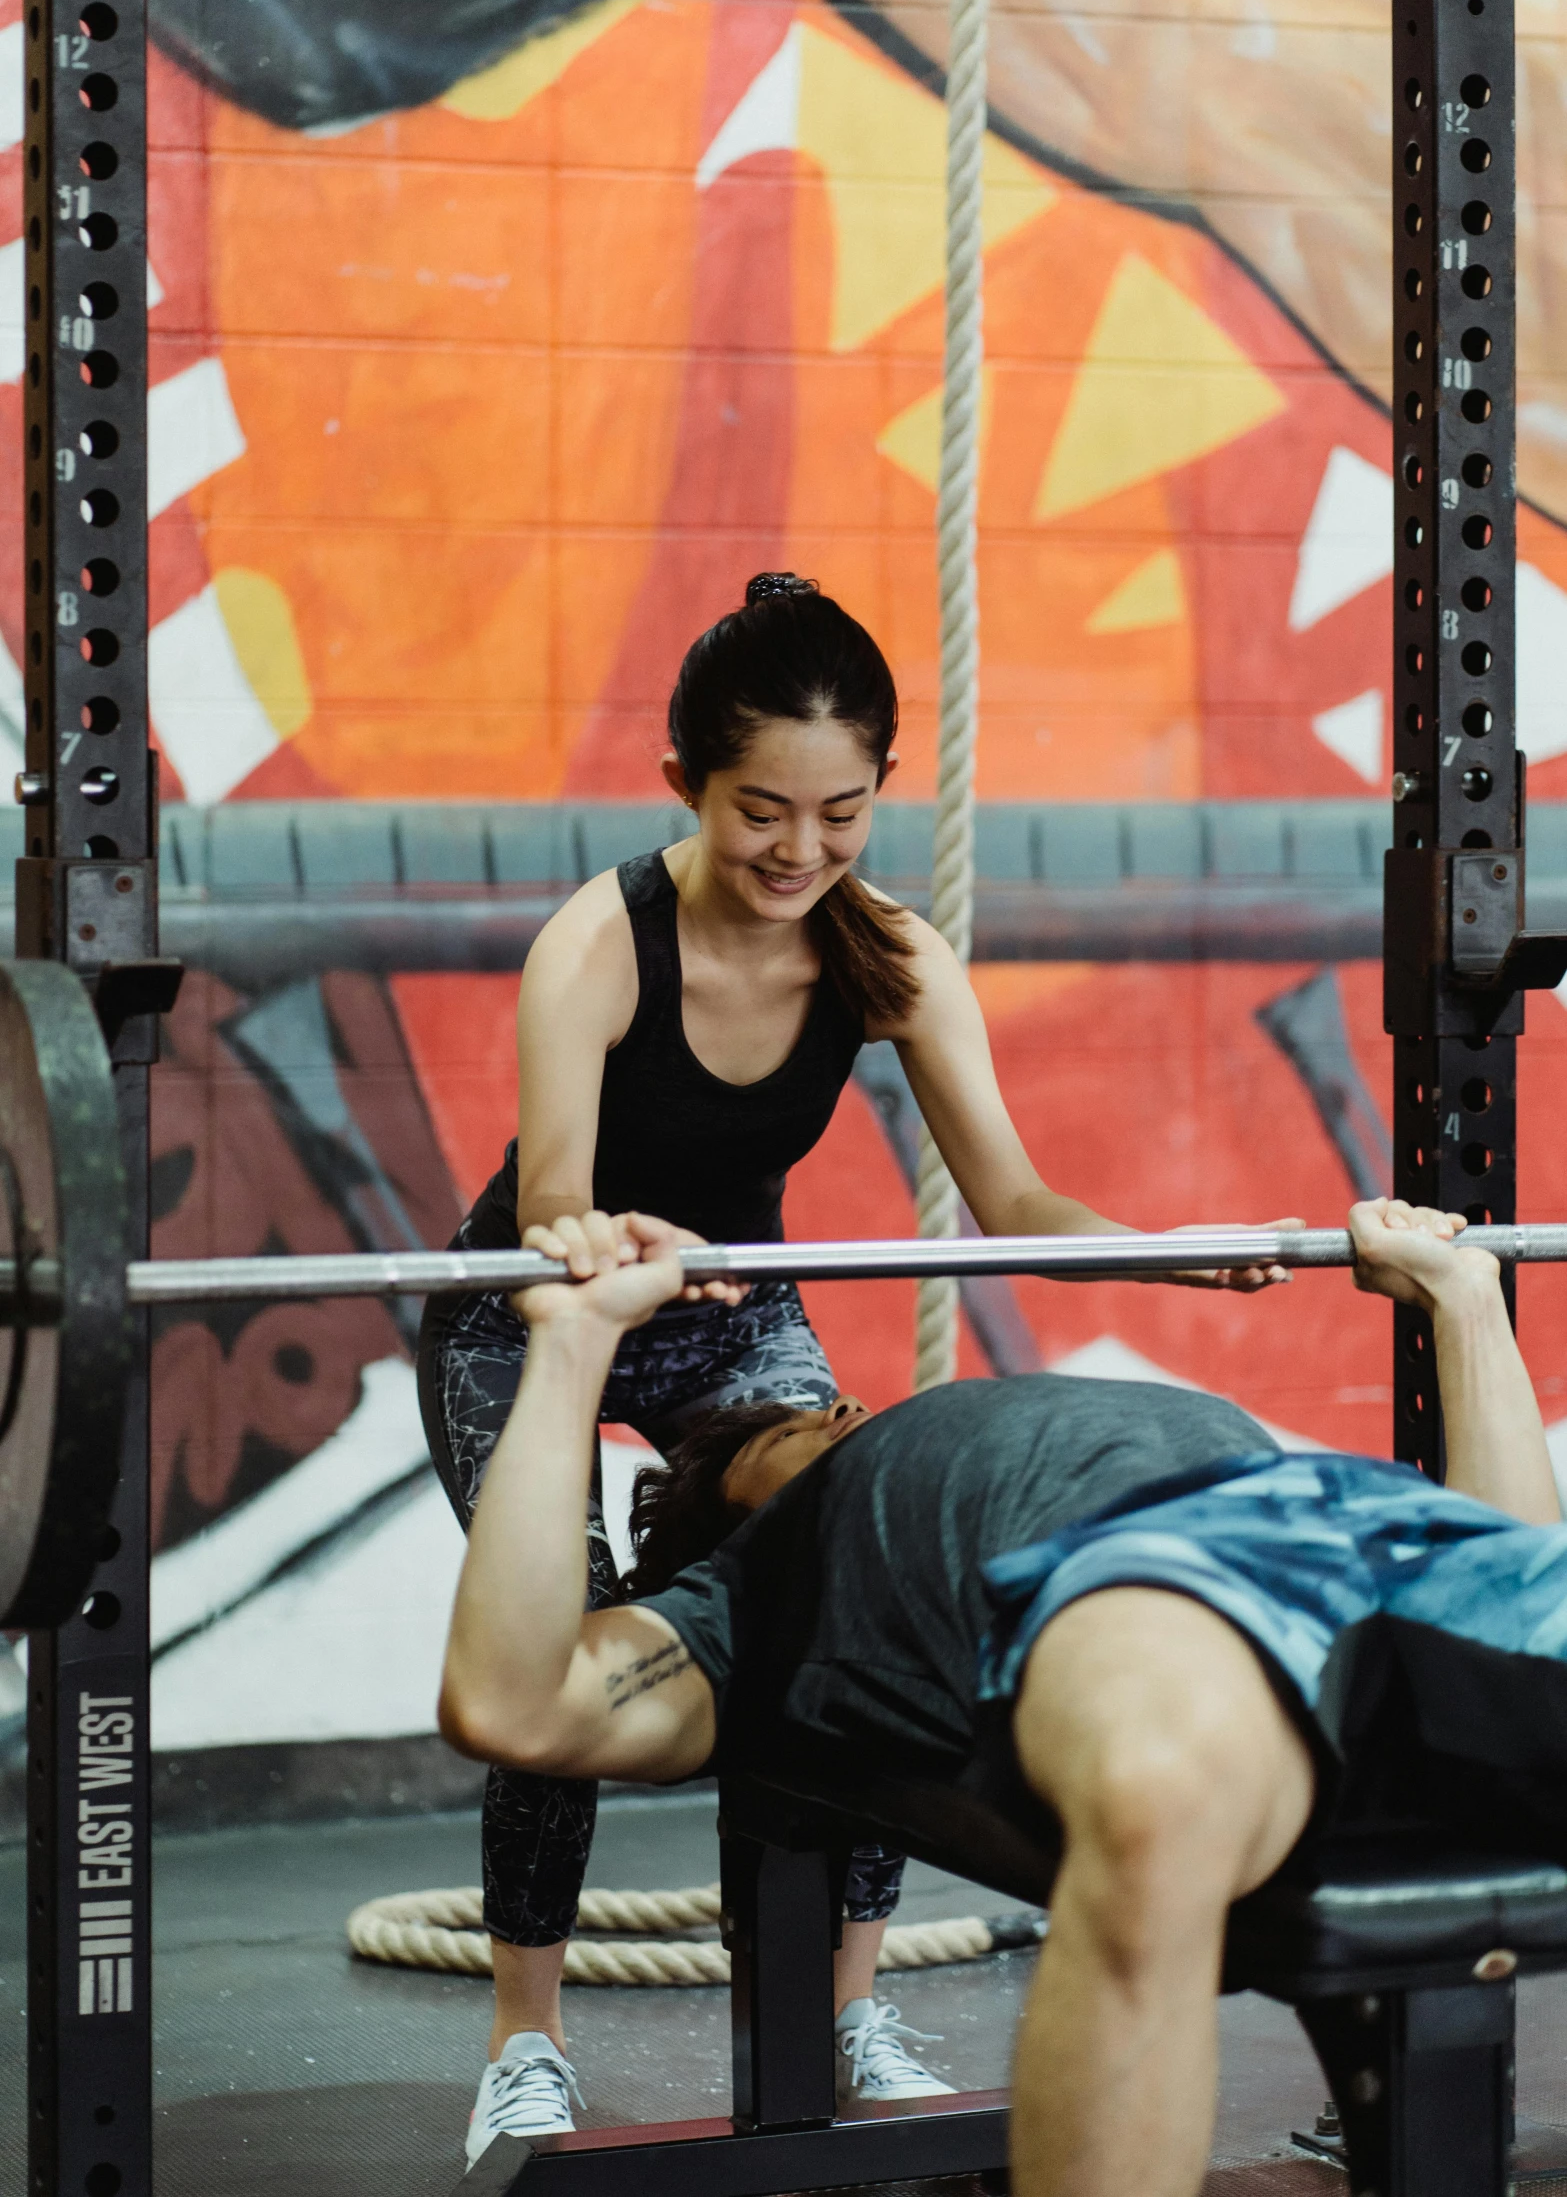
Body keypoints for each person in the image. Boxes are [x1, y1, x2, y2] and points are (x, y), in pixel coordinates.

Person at [418, 571, 1297, 2159]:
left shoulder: (885, 953)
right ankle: (525, 2035)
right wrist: (600, 1256)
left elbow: (1015, 1201)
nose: (797, 851)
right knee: (559, 1631)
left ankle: (847, 2001)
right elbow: (551, 1205)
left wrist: (1183, 1246)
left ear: (879, 791)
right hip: (538, 1306)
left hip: (738, 1303)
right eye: (760, 809)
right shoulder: (598, 947)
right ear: (682, 776)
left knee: (849, 1593)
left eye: (839, 811)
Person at [440, 1197, 1567, 2197]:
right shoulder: (746, 1600)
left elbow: (1511, 1562)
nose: (841, 1409)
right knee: (1158, 1792)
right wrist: (575, 1341)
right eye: (792, 1430)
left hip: (1361, 1529)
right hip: (1157, 1579)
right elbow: (514, 1704)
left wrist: (1459, 1296)